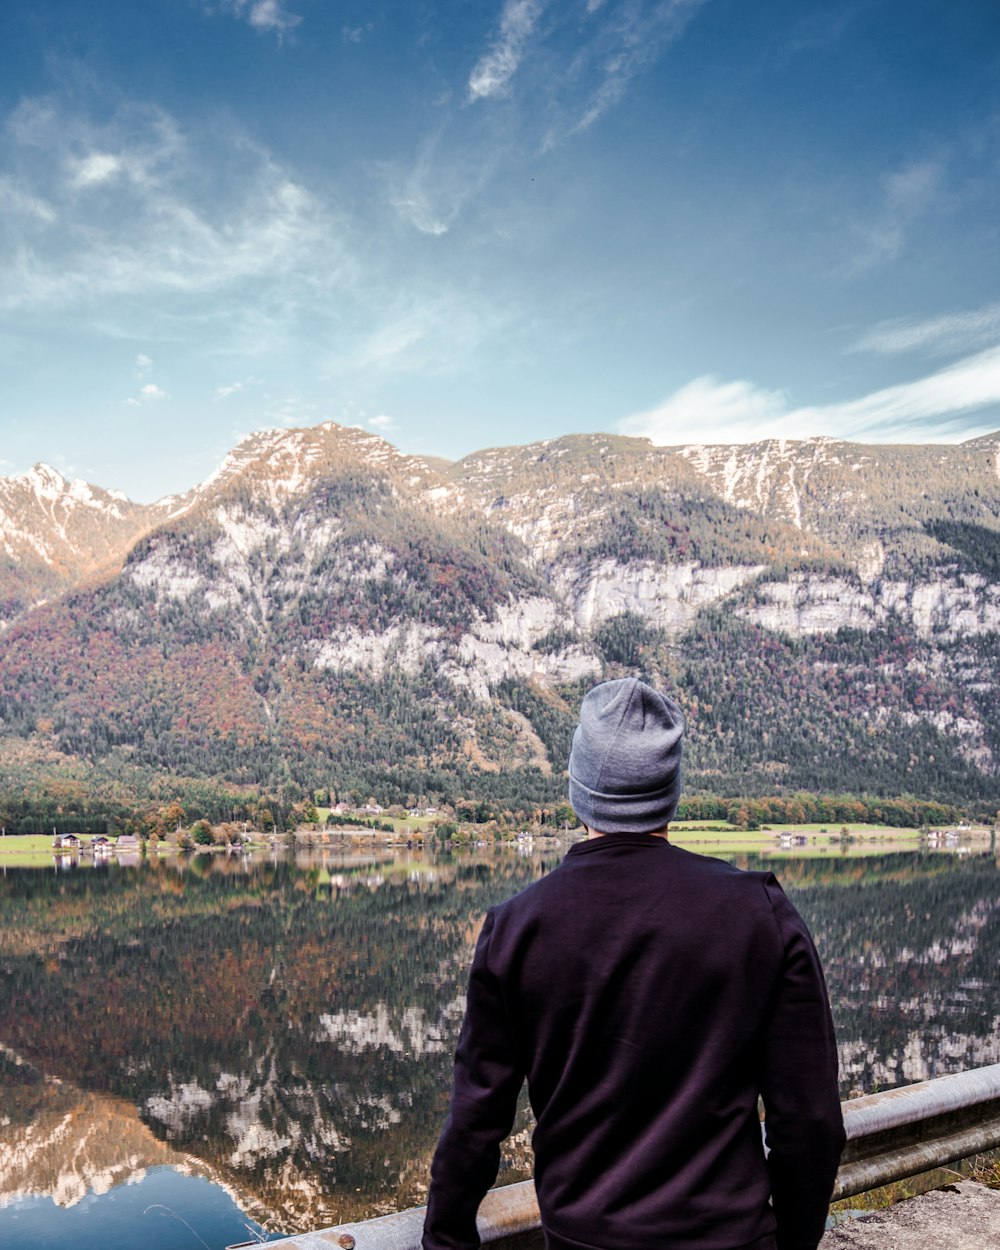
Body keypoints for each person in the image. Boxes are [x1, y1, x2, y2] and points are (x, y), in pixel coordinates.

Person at [423, 677, 845, 1250]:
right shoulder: (760, 913)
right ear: (671, 790)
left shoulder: (517, 929)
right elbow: (812, 1124)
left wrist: (445, 1242)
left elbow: (475, 1127)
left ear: (577, 788)